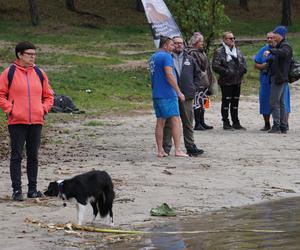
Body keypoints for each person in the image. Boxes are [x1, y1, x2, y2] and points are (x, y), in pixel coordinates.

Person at [0, 41, 54, 201]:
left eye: (34, 54)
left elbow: (49, 95)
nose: (33, 57)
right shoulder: (8, 73)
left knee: (33, 156)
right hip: (17, 122)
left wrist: (43, 109)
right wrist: (11, 109)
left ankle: (32, 189)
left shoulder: (39, 72)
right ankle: (17, 190)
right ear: (20, 55)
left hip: (36, 121)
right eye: (29, 54)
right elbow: (1, 95)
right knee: (16, 156)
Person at [163, 36, 204, 157]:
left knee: (188, 122)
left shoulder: (190, 59)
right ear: (172, 44)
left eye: (181, 43)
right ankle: (166, 147)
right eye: (176, 43)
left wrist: (193, 87)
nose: (179, 45)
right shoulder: (167, 58)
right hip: (171, 95)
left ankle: (190, 146)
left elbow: (198, 74)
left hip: (187, 95)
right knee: (169, 123)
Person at [149, 36, 188, 157]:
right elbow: (169, 75)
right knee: (175, 120)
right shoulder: (166, 56)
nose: (174, 47)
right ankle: (178, 150)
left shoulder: (153, 57)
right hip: (167, 94)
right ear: (165, 45)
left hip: (157, 94)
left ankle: (160, 150)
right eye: (172, 45)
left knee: (160, 121)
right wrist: (178, 92)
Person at [254, 32, 291, 131]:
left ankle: (283, 124)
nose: (270, 39)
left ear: (276, 38)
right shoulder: (263, 49)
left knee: (282, 102)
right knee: (265, 102)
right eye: (268, 37)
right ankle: (267, 124)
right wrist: (263, 66)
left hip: (280, 79)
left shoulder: (282, 48)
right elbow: (256, 64)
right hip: (266, 80)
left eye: (272, 37)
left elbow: (287, 59)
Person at [212, 31, 247, 130]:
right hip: (226, 81)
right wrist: (227, 72)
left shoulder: (238, 51)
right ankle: (226, 122)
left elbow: (243, 62)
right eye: (230, 38)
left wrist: (244, 69)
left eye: (233, 38)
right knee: (226, 102)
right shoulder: (219, 51)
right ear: (224, 40)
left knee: (235, 102)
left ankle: (236, 121)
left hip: (237, 81)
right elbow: (215, 66)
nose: (233, 40)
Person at [263, 26, 292, 134]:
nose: (274, 37)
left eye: (275, 35)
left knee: (274, 102)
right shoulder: (281, 45)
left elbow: (283, 53)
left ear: (280, 35)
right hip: (280, 77)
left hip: (279, 78)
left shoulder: (286, 46)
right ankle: (283, 126)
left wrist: (271, 51)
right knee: (281, 102)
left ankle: (277, 125)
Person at [188, 32, 215, 130]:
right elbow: (198, 68)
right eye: (201, 41)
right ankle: (197, 123)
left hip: (205, 82)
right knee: (197, 102)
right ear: (196, 42)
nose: (202, 43)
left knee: (204, 102)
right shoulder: (192, 53)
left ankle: (202, 122)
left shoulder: (201, 51)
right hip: (198, 82)